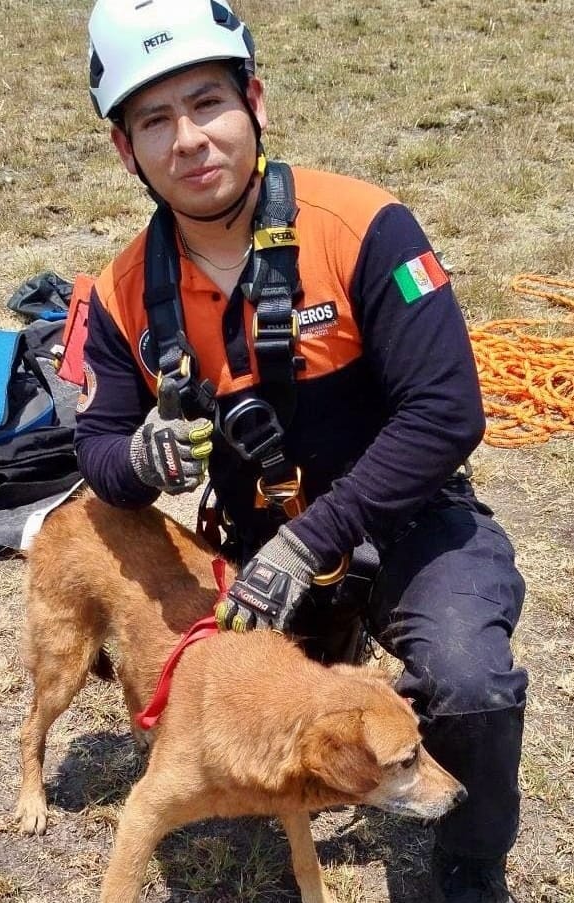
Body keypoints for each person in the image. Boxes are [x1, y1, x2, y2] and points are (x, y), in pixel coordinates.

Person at [74, 2, 527, 901]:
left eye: (207, 103)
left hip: (404, 518)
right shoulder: (121, 292)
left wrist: (310, 539)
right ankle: (331, 645)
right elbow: (95, 451)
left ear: (255, 102)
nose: (188, 140)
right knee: (276, 722)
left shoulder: (363, 226)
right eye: (153, 121)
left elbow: (446, 412)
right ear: (126, 150)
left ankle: (470, 863)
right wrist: (139, 459)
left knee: (468, 680)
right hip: (258, 552)